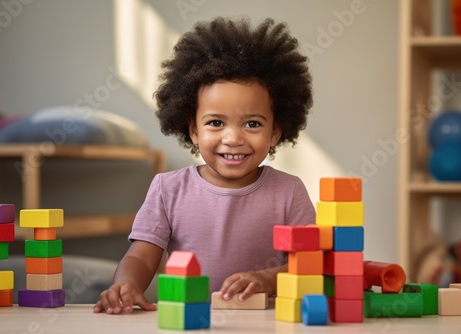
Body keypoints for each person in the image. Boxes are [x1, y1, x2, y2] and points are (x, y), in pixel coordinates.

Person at [93, 16, 315, 315]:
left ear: (275, 132)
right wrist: (127, 283)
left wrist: (267, 279)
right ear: (193, 131)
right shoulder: (167, 189)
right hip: (187, 319)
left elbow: (312, 265)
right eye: (215, 123)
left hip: (266, 320)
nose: (233, 138)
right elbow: (143, 258)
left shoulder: (289, 192)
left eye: (252, 123)